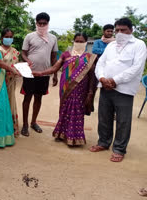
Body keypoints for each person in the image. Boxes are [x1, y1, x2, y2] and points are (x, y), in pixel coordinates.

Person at [89, 18, 147, 162]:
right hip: (105, 87)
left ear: (131, 30)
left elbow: (136, 68)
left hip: (125, 89)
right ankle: (103, 142)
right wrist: (102, 79)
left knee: (123, 120)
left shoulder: (139, 45)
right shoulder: (111, 45)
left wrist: (115, 81)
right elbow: (100, 64)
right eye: (118, 30)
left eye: (124, 30)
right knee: (104, 117)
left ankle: (119, 149)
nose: (120, 33)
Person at [33, 33, 96, 146]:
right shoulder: (66, 54)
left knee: (77, 110)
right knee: (64, 109)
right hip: (65, 87)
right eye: (77, 41)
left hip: (81, 89)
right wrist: (40, 73)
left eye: (82, 41)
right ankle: (61, 133)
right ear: (73, 41)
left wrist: (90, 93)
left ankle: (75, 137)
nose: (79, 43)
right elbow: (54, 68)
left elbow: (92, 76)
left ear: (86, 42)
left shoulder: (89, 57)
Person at [20, 12, 58, 136]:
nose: (42, 25)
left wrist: (55, 75)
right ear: (36, 23)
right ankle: (25, 124)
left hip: (44, 74)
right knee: (27, 97)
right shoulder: (29, 36)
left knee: (38, 98)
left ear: (48, 24)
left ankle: (33, 122)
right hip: (29, 73)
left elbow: (54, 58)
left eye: (44, 23)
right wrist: (27, 60)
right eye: (39, 23)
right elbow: (23, 53)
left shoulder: (53, 38)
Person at [0, 28, 20, 137]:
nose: (9, 39)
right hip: (0, 82)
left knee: (11, 102)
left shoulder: (15, 51)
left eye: (11, 37)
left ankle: (10, 129)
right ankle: (0, 129)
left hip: (11, 82)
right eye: (7, 37)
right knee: (0, 103)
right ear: (2, 38)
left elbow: (17, 65)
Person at [91, 24, 115, 111]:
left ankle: (111, 110)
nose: (110, 33)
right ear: (103, 31)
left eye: (111, 31)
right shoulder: (98, 42)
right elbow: (94, 50)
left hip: (110, 68)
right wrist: (108, 51)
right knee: (94, 87)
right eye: (108, 31)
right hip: (98, 67)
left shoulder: (115, 42)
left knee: (110, 88)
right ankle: (90, 104)